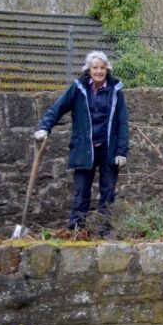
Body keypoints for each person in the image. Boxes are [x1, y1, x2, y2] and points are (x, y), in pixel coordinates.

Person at [33, 51, 129, 239]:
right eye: (95, 68)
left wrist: (121, 150)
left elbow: (122, 122)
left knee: (108, 193)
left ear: (107, 69)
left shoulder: (116, 90)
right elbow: (57, 108)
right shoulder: (79, 88)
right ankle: (77, 231)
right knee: (81, 192)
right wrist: (44, 128)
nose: (99, 71)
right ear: (89, 70)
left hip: (108, 150)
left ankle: (105, 232)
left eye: (102, 68)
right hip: (84, 149)